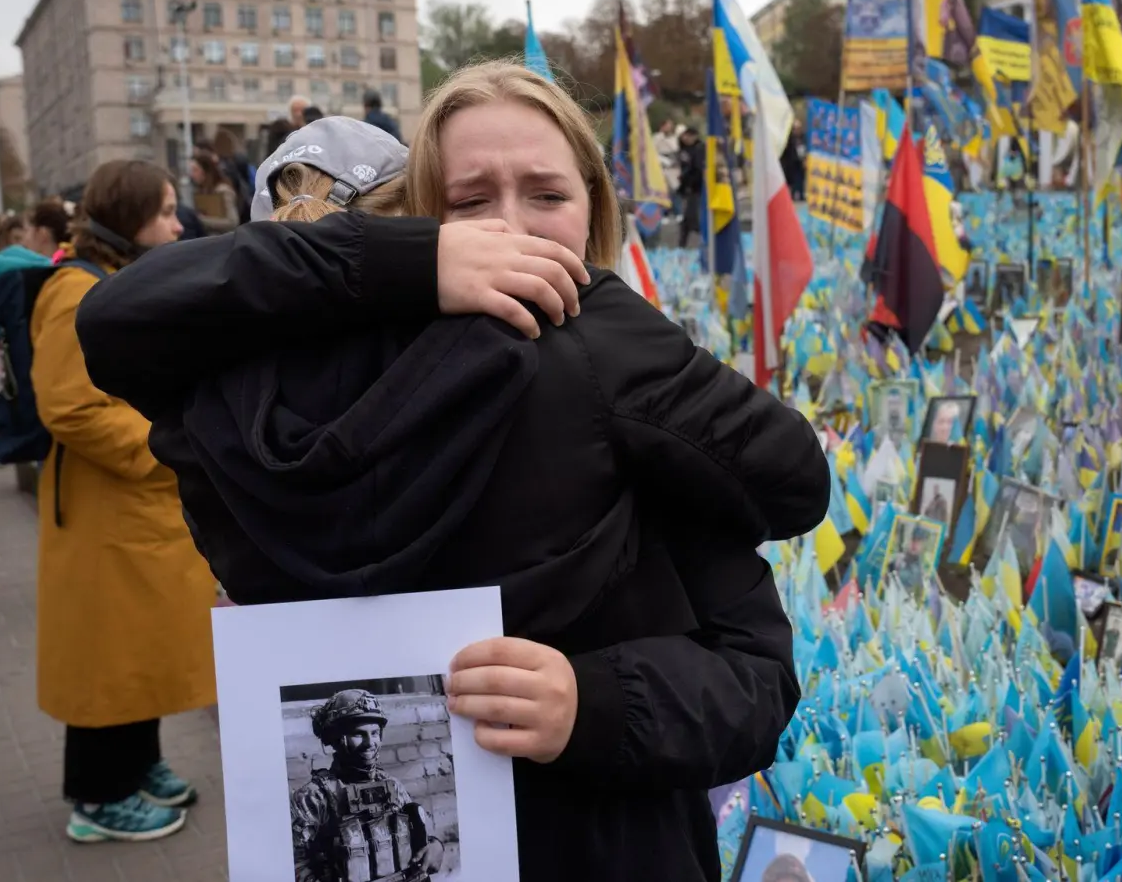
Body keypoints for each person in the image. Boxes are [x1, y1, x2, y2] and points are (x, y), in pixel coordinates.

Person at [76, 66, 827, 882]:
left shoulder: (631, 386)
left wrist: (593, 702)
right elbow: (117, 321)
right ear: (423, 224)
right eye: (470, 205)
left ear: (594, 205)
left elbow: (754, 676)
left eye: (546, 195)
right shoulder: (593, 349)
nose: (512, 232)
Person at [31, 159, 215, 844]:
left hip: (131, 504)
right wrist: (166, 446)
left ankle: (140, 763)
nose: (177, 224)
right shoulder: (76, 292)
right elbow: (71, 408)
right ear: (130, 216)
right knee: (107, 657)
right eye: (166, 211)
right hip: (106, 506)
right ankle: (98, 795)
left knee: (140, 649)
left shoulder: (113, 281)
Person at [291, 690, 445, 881]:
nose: (370, 743)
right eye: (358, 734)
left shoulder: (392, 786)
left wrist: (436, 846)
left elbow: (425, 835)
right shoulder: (314, 797)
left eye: (374, 733)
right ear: (335, 738)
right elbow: (296, 864)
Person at [189, 153, 239, 234]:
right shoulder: (201, 191)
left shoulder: (223, 191)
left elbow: (232, 222)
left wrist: (201, 220)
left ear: (205, 171)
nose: (192, 175)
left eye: (195, 170)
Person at [676, 125, 704, 247]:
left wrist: (687, 181)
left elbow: (697, 170)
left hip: (695, 188)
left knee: (692, 218)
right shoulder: (685, 148)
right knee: (688, 219)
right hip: (688, 188)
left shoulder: (698, 149)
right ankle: (683, 244)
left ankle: (703, 241)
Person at [779, 119, 806, 202]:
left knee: (801, 180)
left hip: (801, 162)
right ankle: (792, 195)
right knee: (793, 181)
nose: (797, 130)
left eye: (799, 128)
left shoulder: (803, 137)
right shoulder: (789, 138)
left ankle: (801, 195)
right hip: (792, 163)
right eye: (795, 128)